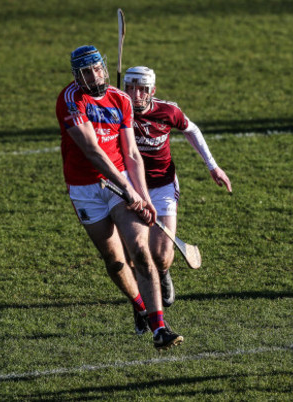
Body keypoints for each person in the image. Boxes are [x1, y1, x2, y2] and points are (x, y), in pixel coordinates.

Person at [55, 45, 183, 350]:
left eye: (97, 69)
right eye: (86, 72)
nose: (94, 76)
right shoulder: (71, 100)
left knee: (140, 248)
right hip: (85, 188)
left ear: (104, 67)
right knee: (114, 261)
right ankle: (139, 304)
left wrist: (142, 195)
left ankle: (159, 328)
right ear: (76, 75)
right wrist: (127, 190)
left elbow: (131, 153)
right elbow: (92, 151)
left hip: (121, 182)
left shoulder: (120, 99)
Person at [122, 66, 232, 334]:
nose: (136, 95)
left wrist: (212, 166)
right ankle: (142, 308)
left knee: (160, 254)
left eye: (142, 89)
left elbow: (191, 130)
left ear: (152, 91)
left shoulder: (167, 112)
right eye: (131, 88)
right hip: (130, 189)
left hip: (162, 188)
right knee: (134, 255)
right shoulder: (117, 111)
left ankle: (162, 274)